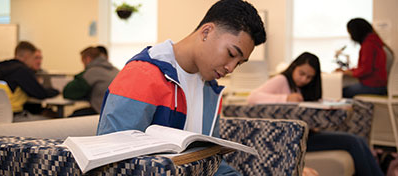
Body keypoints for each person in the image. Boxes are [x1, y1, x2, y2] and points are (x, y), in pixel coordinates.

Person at [95, 0, 266, 175]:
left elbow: (210, 160)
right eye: (231, 54)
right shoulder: (142, 74)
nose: (230, 68)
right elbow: (111, 161)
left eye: (239, 63)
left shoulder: (211, 91)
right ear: (206, 31)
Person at [248, 53, 383, 176]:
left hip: (307, 134)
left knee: (356, 140)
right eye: (301, 73)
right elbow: (252, 97)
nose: (304, 79)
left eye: (309, 77)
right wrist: (286, 98)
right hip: (291, 139)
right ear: (294, 67)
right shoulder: (282, 80)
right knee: (353, 142)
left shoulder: (305, 88)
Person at [0, 41, 59, 115]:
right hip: (15, 115)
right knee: (53, 117)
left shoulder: (0, 67)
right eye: (34, 58)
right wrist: (57, 91)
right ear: (27, 56)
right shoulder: (21, 70)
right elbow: (41, 94)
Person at [339, 18, 391, 98]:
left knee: (341, 91)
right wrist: (350, 71)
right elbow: (366, 66)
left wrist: (349, 72)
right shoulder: (375, 41)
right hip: (380, 85)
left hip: (374, 86)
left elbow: (366, 70)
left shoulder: (368, 45)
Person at [62, 46, 118, 116]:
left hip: (102, 113)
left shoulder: (91, 72)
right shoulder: (116, 71)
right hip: (116, 112)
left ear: (87, 59)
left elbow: (68, 92)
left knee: (72, 118)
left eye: (83, 62)